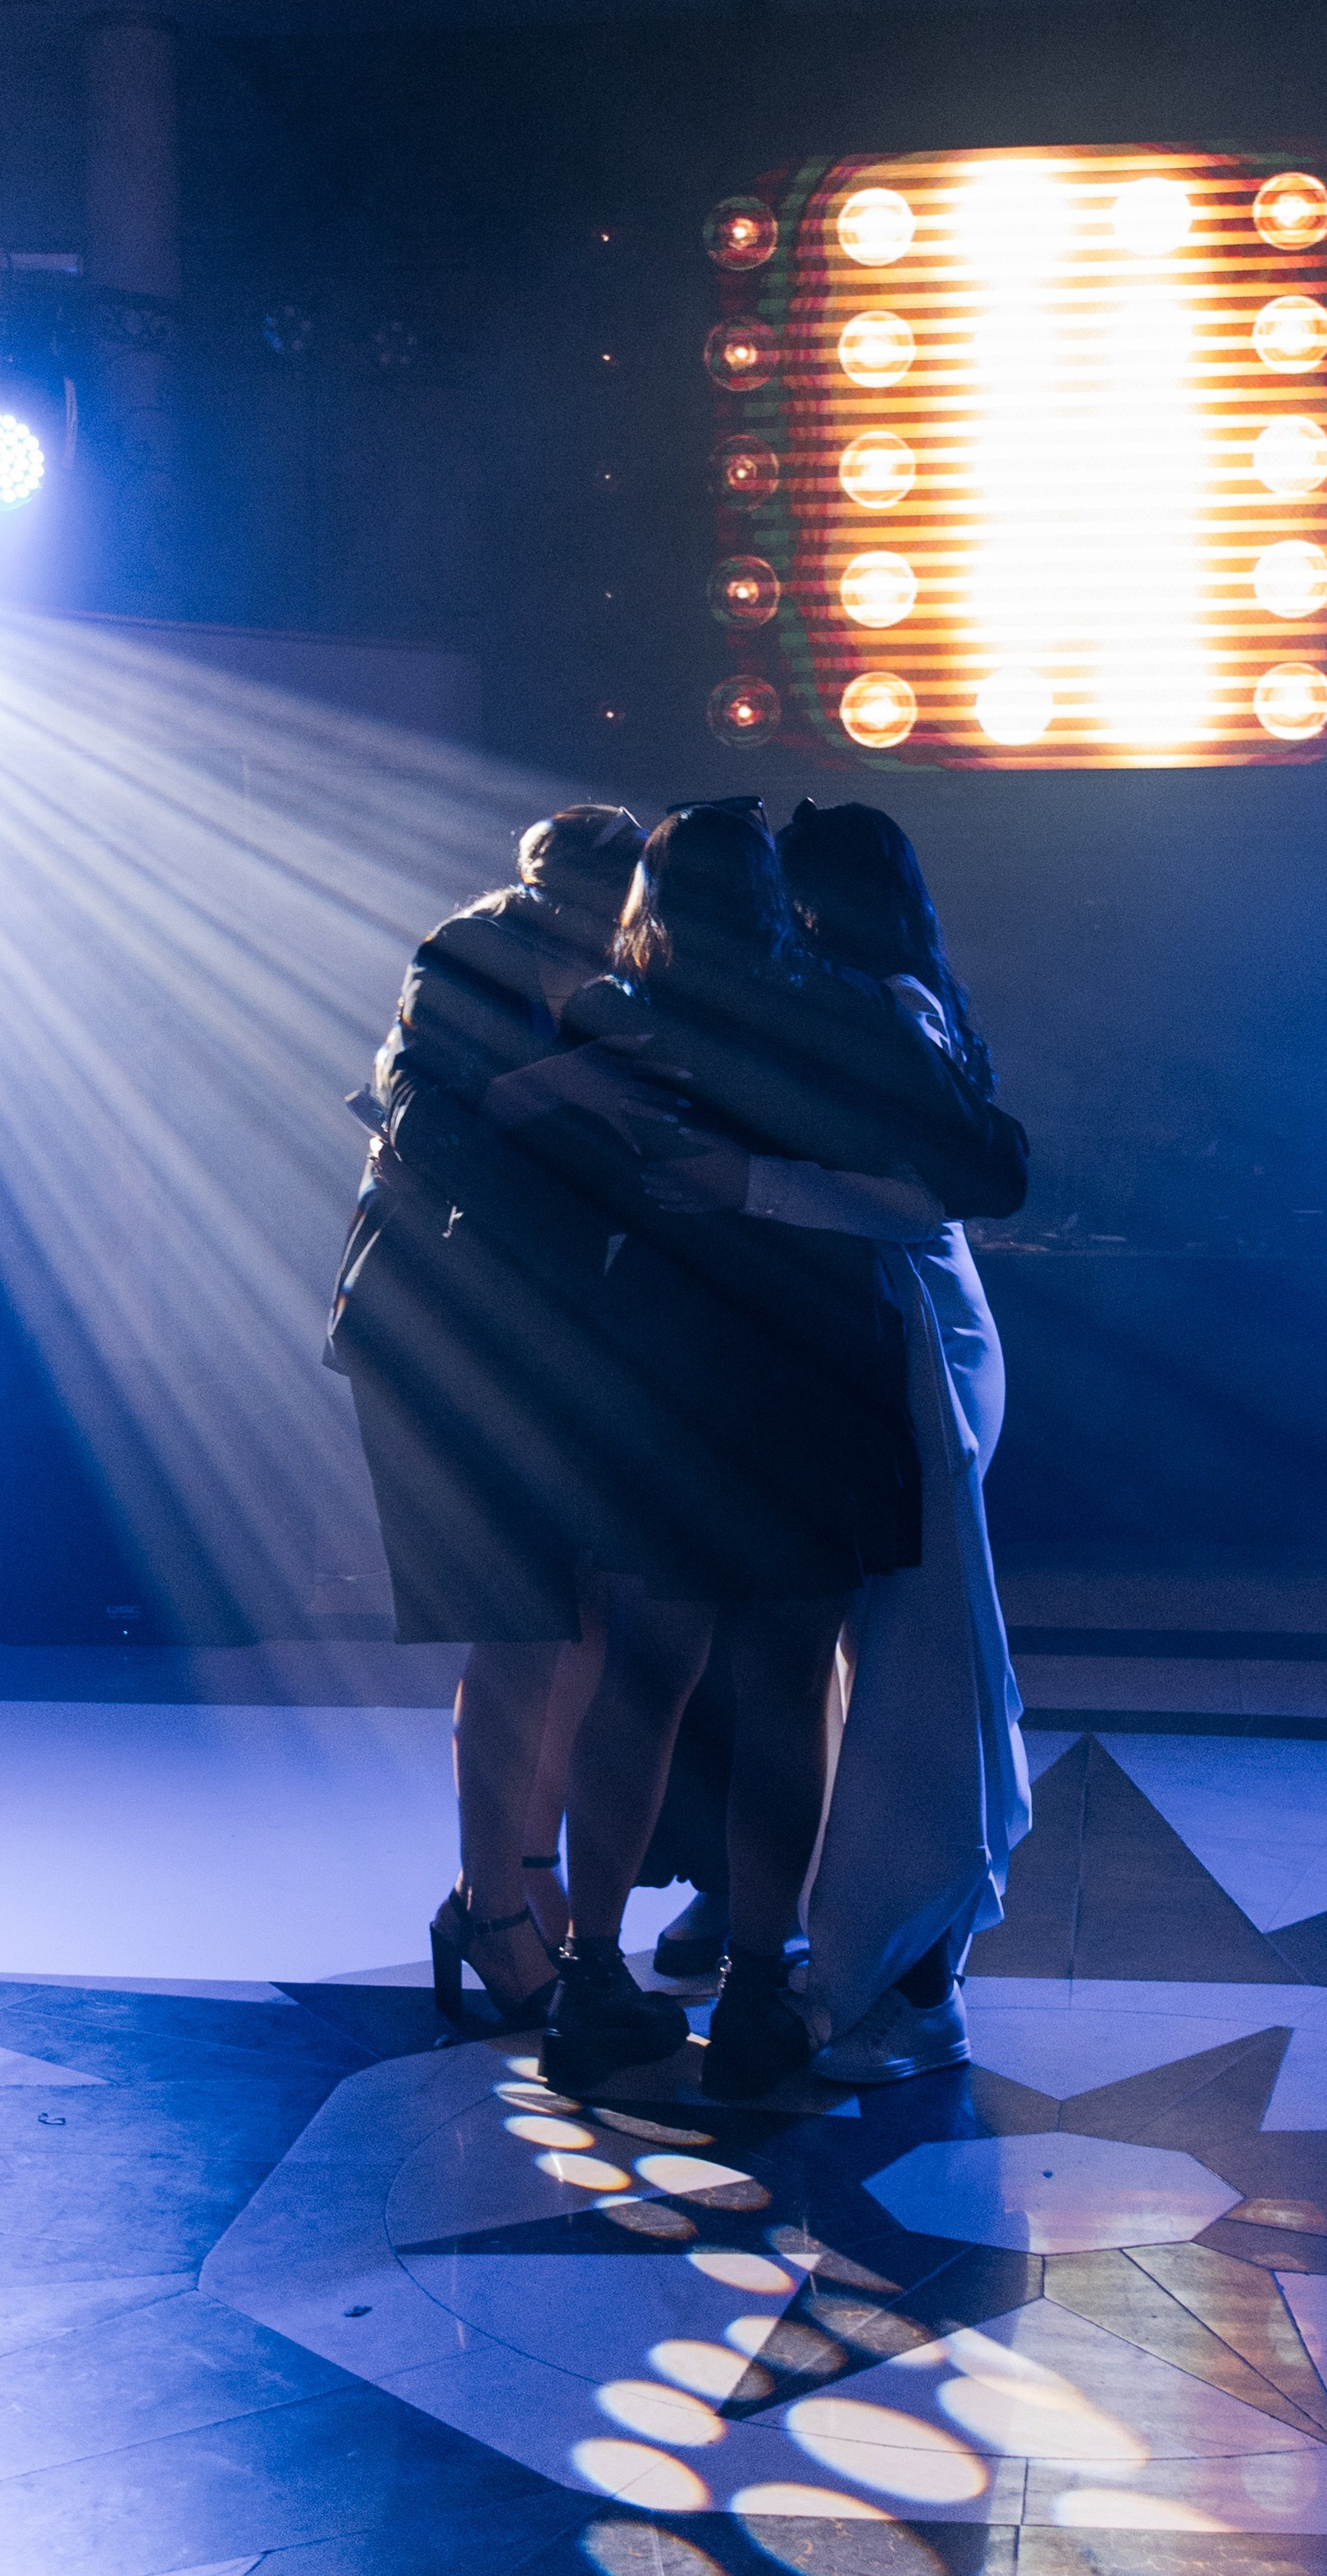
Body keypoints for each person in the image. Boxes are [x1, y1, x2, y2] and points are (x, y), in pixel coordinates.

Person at [494, 802, 1026, 2100]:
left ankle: (592, 1976)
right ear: (777, 894)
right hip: (806, 1371)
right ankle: (751, 1987)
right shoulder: (842, 1010)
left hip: (657, 1374)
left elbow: (530, 1180)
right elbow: (984, 1170)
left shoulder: (613, 1014)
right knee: (787, 1687)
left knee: (642, 1680)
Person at [326, 805, 642, 2030]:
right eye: (572, 905)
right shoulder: (462, 956)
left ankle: (523, 1875)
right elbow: (428, 1128)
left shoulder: (630, 966)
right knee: (518, 1624)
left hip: (553, 1340)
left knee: (582, 1615)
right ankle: (491, 1908)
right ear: (533, 889)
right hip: (443, 1335)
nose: (599, 932)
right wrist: (557, 1085)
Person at [773, 800, 1031, 2082]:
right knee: (888, 1666)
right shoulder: (892, 997)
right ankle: (893, 1959)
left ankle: (919, 1984)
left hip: (921, 1335)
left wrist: (742, 1182)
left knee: (916, 1672)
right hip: (900, 1331)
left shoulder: (890, 1007)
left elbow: (926, 1191)